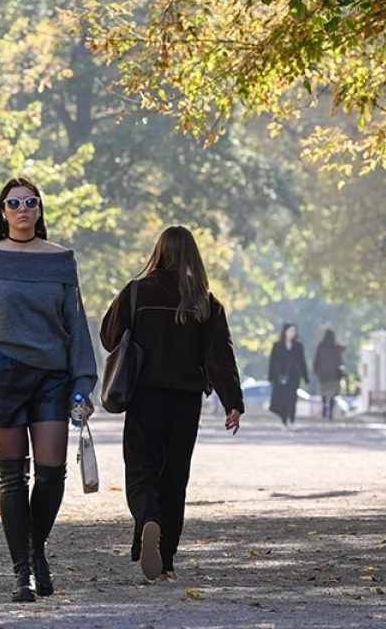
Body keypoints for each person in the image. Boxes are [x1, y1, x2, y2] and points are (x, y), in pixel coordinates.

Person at [0, 177, 98, 603]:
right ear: (2, 211)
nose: (22, 209)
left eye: (30, 202)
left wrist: (82, 382)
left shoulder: (60, 260)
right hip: (3, 376)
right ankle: (23, 574)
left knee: (51, 475)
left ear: (39, 209)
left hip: (52, 377)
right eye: (13, 203)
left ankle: (36, 551)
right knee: (14, 477)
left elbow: (76, 327)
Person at [100, 226, 244, 582]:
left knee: (141, 471)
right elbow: (219, 357)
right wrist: (233, 402)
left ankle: (148, 517)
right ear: (193, 255)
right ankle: (165, 562)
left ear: (159, 251)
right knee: (175, 477)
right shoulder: (205, 301)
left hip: (144, 396)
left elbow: (108, 337)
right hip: (185, 401)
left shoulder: (136, 292)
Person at [268, 322, 308, 430]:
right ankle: (284, 421)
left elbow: (301, 362)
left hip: (293, 376)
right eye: (290, 331)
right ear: (285, 331)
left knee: (292, 399)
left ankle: (292, 420)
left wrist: (305, 377)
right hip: (279, 376)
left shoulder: (298, 346)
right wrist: (271, 377)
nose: (292, 333)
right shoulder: (277, 345)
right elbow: (272, 362)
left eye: (294, 331)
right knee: (281, 399)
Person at [312, 329, 346, 420]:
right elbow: (340, 359)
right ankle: (330, 411)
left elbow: (316, 360)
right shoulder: (336, 348)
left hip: (323, 375)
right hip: (334, 375)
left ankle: (324, 409)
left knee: (324, 392)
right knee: (333, 394)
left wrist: (316, 370)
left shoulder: (321, 347)